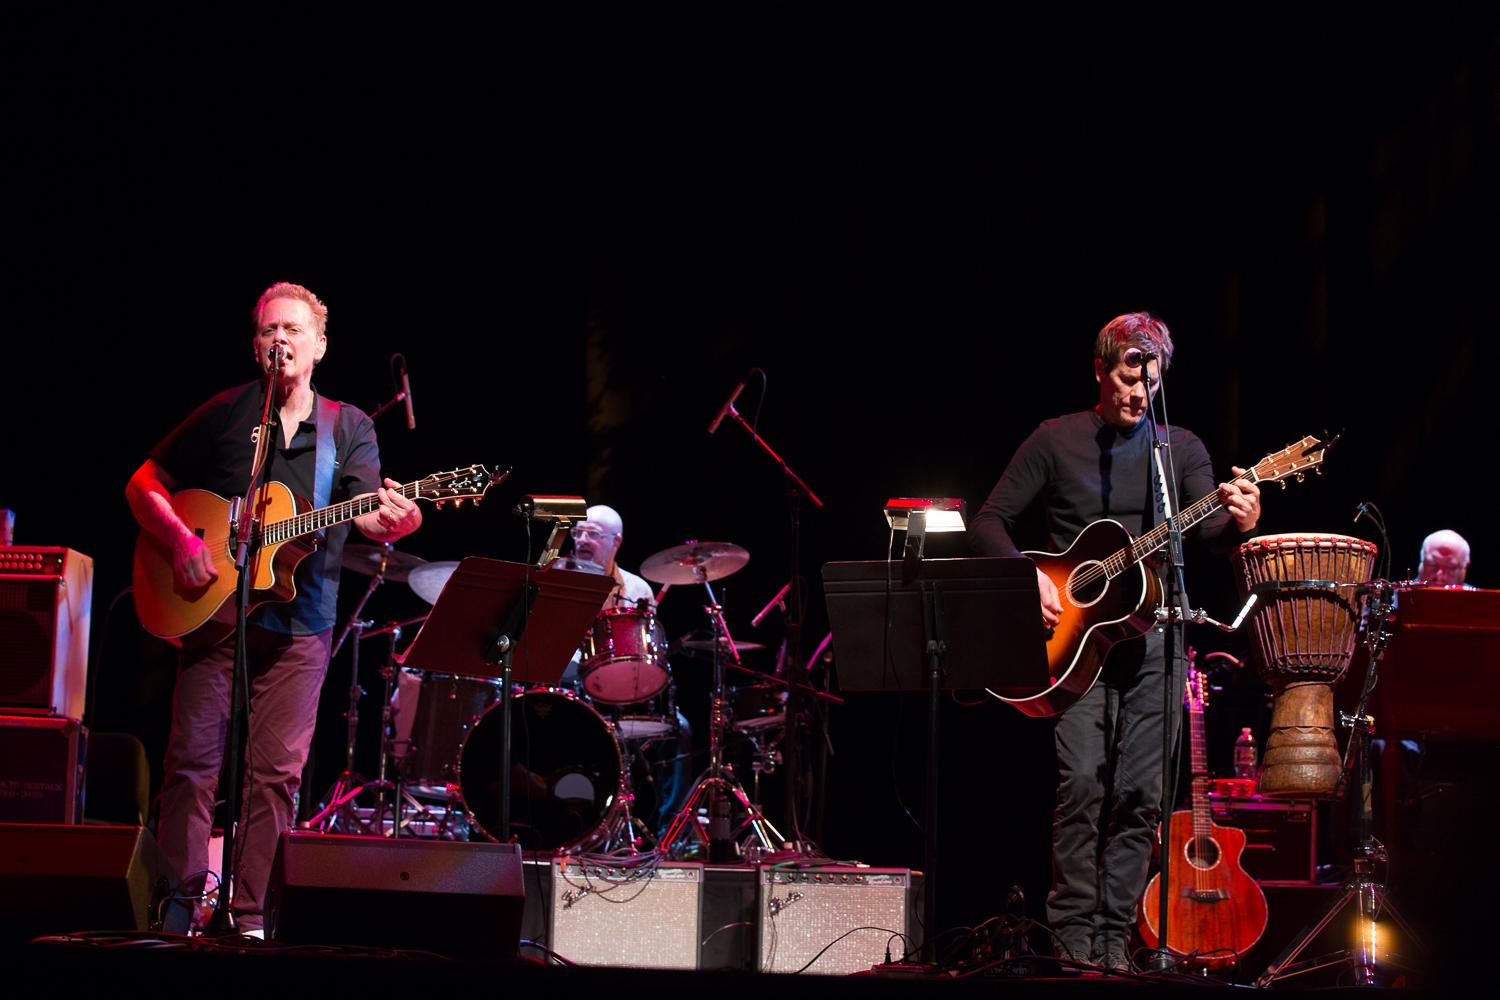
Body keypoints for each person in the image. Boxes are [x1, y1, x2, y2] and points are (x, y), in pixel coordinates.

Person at [126, 282, 422, 935]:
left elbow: (369, 512)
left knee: (274, 775)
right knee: (192, 763)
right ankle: (176, 906)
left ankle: (250, 916)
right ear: (256, 344)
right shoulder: (228, 413)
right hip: (217, 615)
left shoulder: (349, 428)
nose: (279, 340)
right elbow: (144, 483)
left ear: (319, 345)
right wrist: (179, 541)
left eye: (292, 329)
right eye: (267, 331)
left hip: (302, 622)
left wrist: (393, 520)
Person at [969, 312, 1262, 970]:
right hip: (1076, 646)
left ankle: (1114, 944)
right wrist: (1026, 579)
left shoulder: (1179, 450)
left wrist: (1239, 522)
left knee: (1141, 798)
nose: (1139, 389)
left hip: (1155, 644)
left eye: (1151, 376)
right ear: (1100, 369)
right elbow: (989, 521)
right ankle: (1073, 945)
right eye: (1129, 372)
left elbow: (1207, 538)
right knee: (1083, 784)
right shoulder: (1055, 440)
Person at [557, 505, 693, 836]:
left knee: (682, 730)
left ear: (615, 542)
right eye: (579, 532)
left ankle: (670, 831)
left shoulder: (638, 590)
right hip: (573, 688)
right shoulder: (559, 579)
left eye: (593, 534)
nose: (582, 540)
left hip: (624, 694)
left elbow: (646, 651)